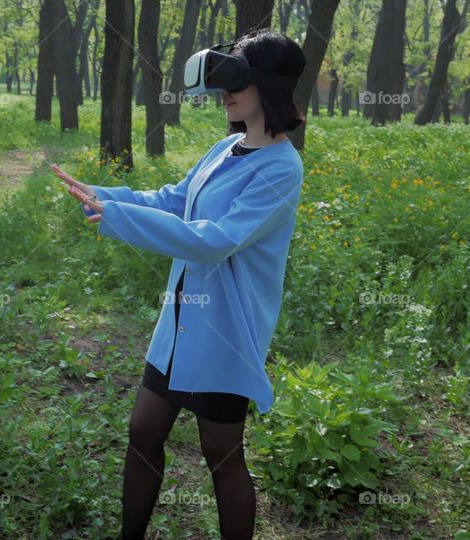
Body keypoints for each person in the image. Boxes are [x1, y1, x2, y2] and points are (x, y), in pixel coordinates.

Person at [51, 28, 306, 540]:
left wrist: (118, 217)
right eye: (224, 79)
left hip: (225, 333)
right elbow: (174, 200)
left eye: (237, 79)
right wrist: (104, 193)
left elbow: (215, 240)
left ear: (270, 86)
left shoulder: (282, 169)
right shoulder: (226, 146)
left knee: (221, 457)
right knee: (142, 432)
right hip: (179, 323)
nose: (225, 92)